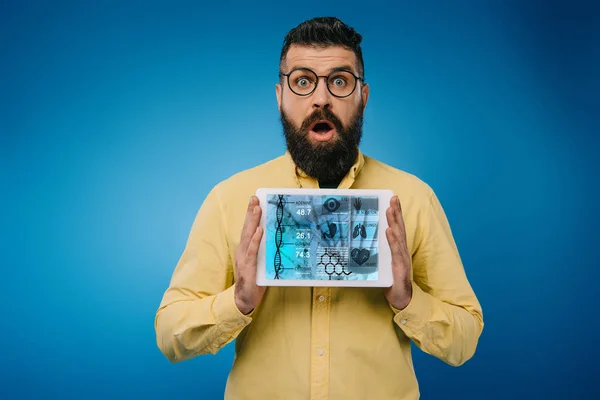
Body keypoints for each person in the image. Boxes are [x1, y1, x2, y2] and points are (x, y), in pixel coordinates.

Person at [155, 16, 484, 400]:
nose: (321, 99)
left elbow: (465, 339)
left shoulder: (411, 198)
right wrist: (238, 301)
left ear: (363, 96)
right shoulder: (232, 199)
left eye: (340, 81)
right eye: (303, 81)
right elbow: (169, 335)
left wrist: (407, 299)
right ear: (280, 95)